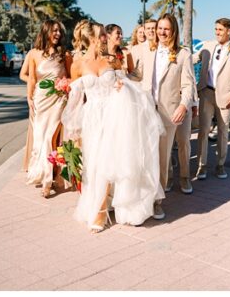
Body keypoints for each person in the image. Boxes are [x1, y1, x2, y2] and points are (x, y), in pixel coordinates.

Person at [64, 21, 164, 233]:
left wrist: (121, 86)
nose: (105, 39)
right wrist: (74, 130)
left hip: (113, 116)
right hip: (92, 118)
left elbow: (124, 83)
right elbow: (75, 99)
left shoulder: (110, 62)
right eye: (101, 36)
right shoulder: (77, 64)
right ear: (92, 38)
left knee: (109, 161)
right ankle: (100, 204)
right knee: (95, 164)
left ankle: (101, 212)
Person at [132, 14, 196, 219]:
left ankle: (157, 201)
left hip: (169, 113)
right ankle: (142, 196)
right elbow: (137, 76)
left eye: (166, 29)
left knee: (161, 158)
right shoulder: (148, 51)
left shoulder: (183, 55)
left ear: (174, 31)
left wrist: (184, 105)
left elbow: (188, 85)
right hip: (146, 109)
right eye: (160, 28)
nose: (161, 32)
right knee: (144, 155)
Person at [193, 18, 230, 182]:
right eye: (216, 29)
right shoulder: (207, 45)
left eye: (220, 30)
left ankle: (220, 164)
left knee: (223, 132)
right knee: (203, 131)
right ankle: (201, 166)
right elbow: (192, 59)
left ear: (229, 31)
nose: (217, 32)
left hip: (226, 97)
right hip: (206, 93)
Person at [24, 20, 73, 197]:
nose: (58, 34)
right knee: (39, 138)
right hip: (40, 100)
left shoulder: (64, 54)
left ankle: (48, 181)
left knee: (50, 138)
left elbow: (72, 77)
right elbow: (31, 78)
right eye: (54, 31)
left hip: (58, 100)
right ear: (45, 32)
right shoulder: (34, 54)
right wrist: (29, 97)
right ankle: (45, 174)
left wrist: (65, 84)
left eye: (59, 31)